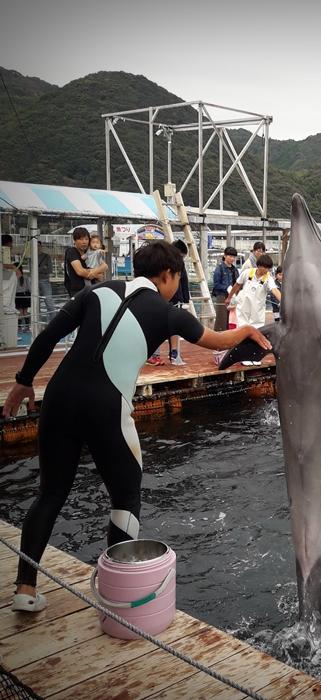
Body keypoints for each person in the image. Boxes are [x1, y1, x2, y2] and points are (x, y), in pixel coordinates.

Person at [3, 240, 271, 612]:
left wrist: (23, 380)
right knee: (125, 497)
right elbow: (217, 340)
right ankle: (117, 594)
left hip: (59, 397)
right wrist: (246, 332)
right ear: (168, 275)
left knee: (50, 493)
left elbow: (48, 336)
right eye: (177, 278)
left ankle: (25, 589)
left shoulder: (98, 292)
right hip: (107, 407)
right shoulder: (169, 313)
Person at [226, 254, 281, 328]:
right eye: (265, 267)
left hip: (257, 315)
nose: (267, 270)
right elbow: (237, 285)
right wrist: (229, 298)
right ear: (259, 266)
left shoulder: (268, 278)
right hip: (243, 311)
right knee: (241, 332)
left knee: (255, 334)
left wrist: (283, 302)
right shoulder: (247, 272)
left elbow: (274, 290)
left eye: (268, 268)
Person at [64, 227, 107, 298]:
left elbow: (105, 266)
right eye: (80, 239)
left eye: (86, 239)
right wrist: (95, 275)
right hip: (77, 292)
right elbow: (80, 271)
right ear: (74, 240)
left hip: (92, 289)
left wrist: (91, 273)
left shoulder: (90, 252)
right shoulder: (71, 251)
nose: (84, 242)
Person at [212, 246, 238, 331]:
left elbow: (238, 283)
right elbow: (216, 285)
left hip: (233, 297)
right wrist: (227, 288)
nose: (232, 258)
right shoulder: (219, 268)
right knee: (221, 319)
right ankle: (218, 339)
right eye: (230, 256)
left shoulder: (235, 270)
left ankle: (229, 339)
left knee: (232, 319)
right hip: (222, 296)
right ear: (225, 256)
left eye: (233, 257)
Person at [37, 242, 57, 321]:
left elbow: (49, 269)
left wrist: (38, 269)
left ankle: (53, 321)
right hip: (33, 281)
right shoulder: (30, 257)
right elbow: (31, 270)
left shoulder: (46, 256)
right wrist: (42, 268)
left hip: (44, 280)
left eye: (38, 246)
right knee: (35, 302)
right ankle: (38, 321)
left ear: (41, 246)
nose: (37, 247)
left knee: (49, 302)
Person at [2, 233, 20, 315]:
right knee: (8, 290)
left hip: (5, 275)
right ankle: (6, 306)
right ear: (9, 243)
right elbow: (5, 264)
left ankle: (9, 306)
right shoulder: (5, 250)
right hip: (6, 276)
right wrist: (15, 268)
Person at [14, 265, 31, 329]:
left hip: (17, 296)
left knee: (20, 312)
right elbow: (29, 288)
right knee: (25, 312)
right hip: (25, 295)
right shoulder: (26, 277)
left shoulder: (15, 277)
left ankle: (19, 327)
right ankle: (27, 327)